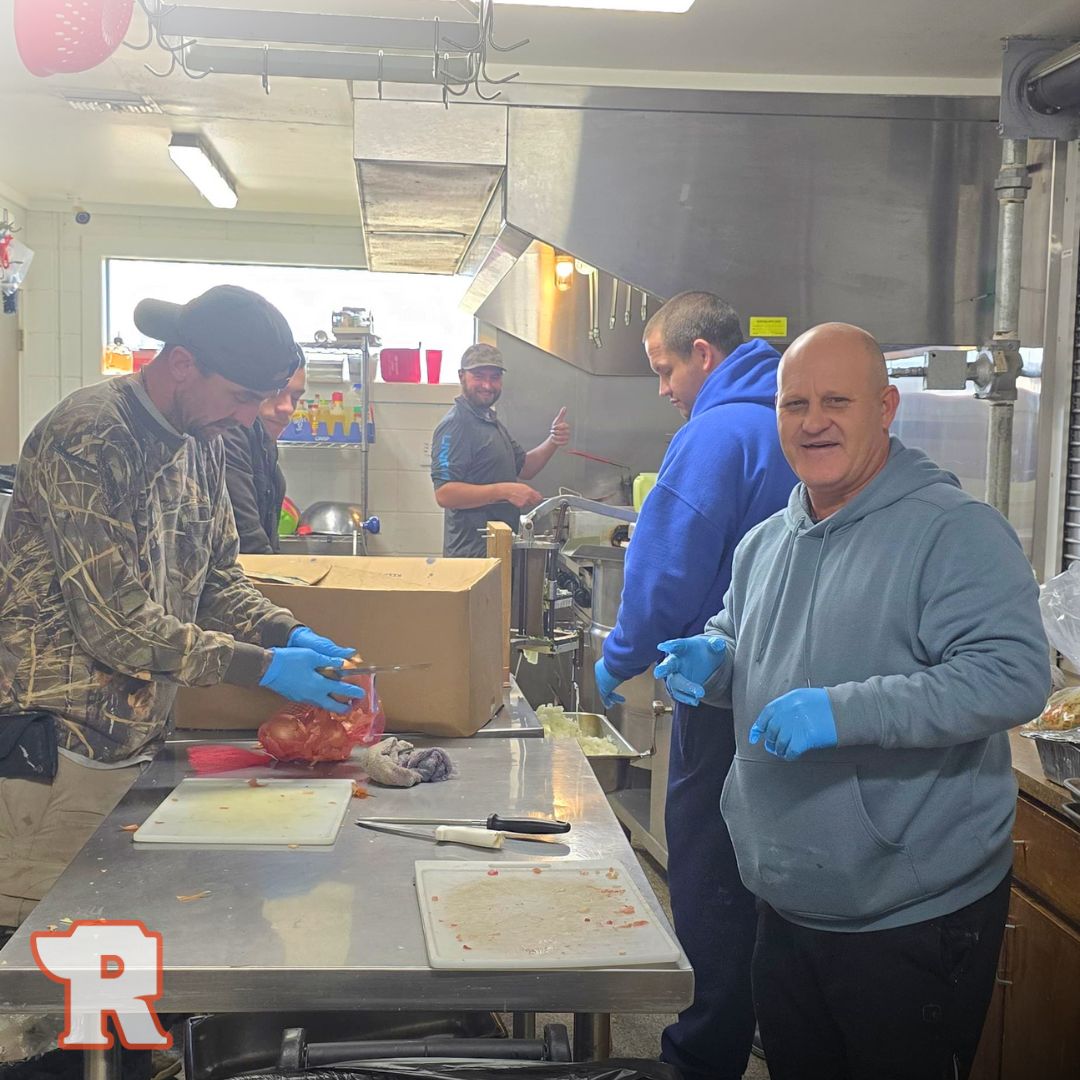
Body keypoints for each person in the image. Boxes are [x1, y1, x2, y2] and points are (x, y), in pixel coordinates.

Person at [656, 322, 1051, 1080]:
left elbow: (1012, 675)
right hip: (785, 895)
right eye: (794, 402)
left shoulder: (954, 532)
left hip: (907, 910)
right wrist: (716, 663)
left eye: (836, 400)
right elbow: (742, 639)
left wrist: (846, 710)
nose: (812, 421)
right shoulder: (766, 541)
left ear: (886, 406)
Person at [0, 285, 364, 929]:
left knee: (125, 964)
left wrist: (287, 629)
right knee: (46, 977)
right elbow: (115, 625)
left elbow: (217, 576)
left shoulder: (204, 439)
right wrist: (259, 666)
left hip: (139, 744)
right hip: (56, 753)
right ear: (182, 365)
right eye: (242, 397)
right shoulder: (86, 437)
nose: (252, 417)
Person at [593, 291, 797, 1080]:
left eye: (664, 368)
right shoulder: (791, 420)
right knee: (774, 873)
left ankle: (703, 1050)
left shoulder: (714, 433)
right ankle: (763, 1024)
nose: (663, 388)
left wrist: (621, 655)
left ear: (703, 354)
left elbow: (665, 568)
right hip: (796, 693)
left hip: (722, 690)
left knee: (710, 870)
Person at [430, 343, 570, 556]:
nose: (487, 385)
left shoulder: (490, 421)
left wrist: (553, 440)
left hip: (497, 551)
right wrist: (505, 491)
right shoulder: (456, 424)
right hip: (471, 556)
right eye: (479, 376)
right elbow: (445, 494)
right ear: (462, 376)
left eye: (494, 377)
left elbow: (525, 467)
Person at [222, 356, 306, 553]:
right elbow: (249, 541)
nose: (288, 408)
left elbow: (267, 541)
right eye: (274, 393)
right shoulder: (230, 435)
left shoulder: (264, 444)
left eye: (294, 398)